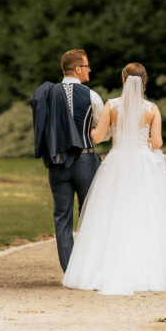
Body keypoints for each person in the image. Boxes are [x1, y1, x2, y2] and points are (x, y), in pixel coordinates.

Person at [62, 62, 166, 295]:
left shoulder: (112, 105)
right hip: (144, 168)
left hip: (116, 164)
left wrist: (85, 129)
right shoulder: (152, 109)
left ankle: (104, 269)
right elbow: (157, 143)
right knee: (143, 216)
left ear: (124, 79)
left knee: (111, 215)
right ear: (144, 81)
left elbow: (98, 137)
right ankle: (144, 272)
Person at [30, 49, 104, 271]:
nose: (90, 70)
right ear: (78, 69)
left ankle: (70, 271)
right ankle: (88, 269)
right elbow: (103, 132)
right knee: (89, 215)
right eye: (87, 66)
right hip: (85, 162)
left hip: (58, 163)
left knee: (62, 217)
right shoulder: (92, 96)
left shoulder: (48, 94)